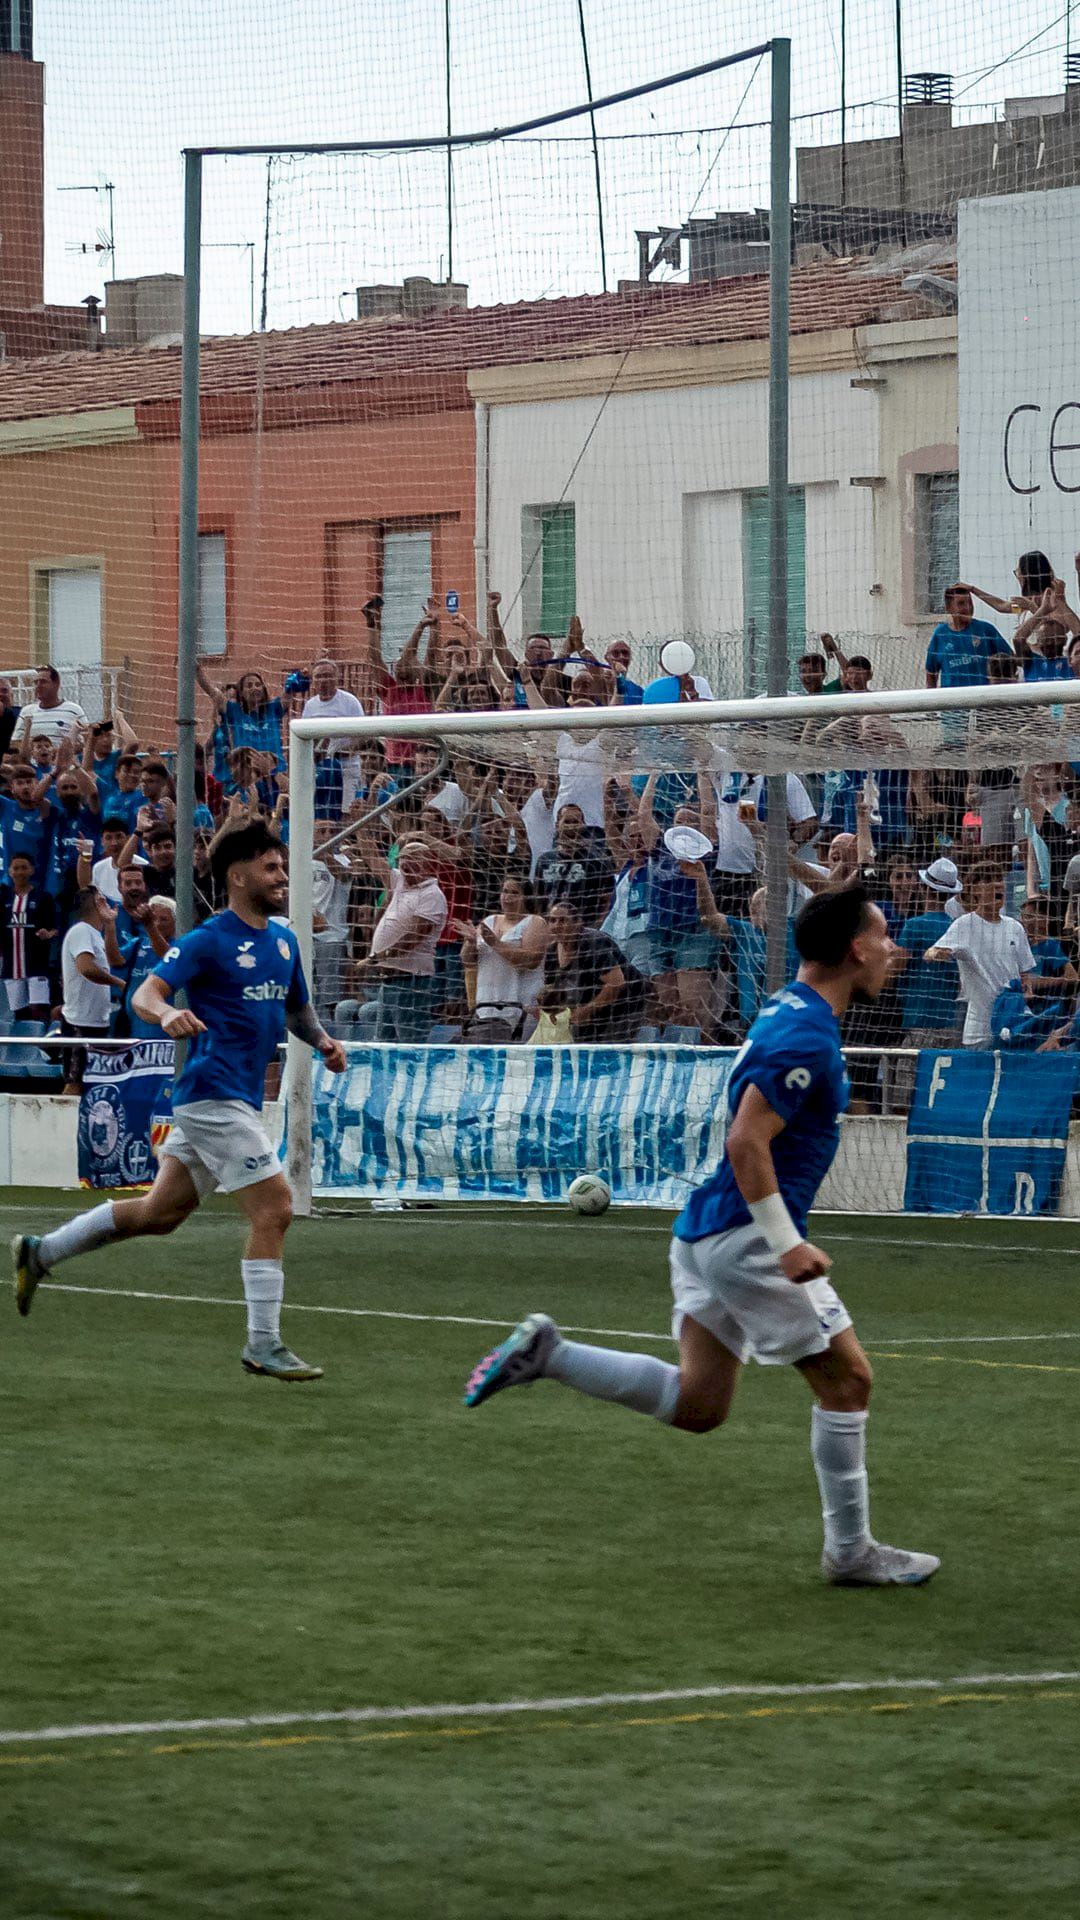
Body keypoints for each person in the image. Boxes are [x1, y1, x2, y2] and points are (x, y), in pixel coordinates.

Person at [464, 883, 938, 1587]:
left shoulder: (790, 1007)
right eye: (882, 934)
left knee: (699, 1405)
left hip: (706, 1230)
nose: (893, 948)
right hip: (749, 1238)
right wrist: (786, 1243)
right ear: (853, 949)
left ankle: (551, 1355)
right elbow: (747, 1141)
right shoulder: (806, 1032)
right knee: (848, 1381)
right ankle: (851, 1551)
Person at [12, 818, 348, 1382]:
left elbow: (295, 1008)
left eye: (282, 867)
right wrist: (167, 1013)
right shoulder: (207, 940)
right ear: (237, 877)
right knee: (275, 1207)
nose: (282, 876)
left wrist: (322, 1040)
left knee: (158, 1215)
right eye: (270, 867)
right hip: (212, 1096)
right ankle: (262, 1344)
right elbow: (146, 993)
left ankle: (39, 1251)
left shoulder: (285, 940)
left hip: (232, 1099)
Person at [924, 865, 1036, 1046]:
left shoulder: (1015, 927)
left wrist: (1026, 989)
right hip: (979, 1033)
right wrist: (937, 953)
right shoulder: (964, 925)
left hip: (1013, 1025)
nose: (997, 885)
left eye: (999, 879)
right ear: (974, 890)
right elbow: (931, 952)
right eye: (988, 880)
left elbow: (1025, 972)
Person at [57, 887, 127, 1094]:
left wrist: (110, 925)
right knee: (75, 1082)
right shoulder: (81, 931)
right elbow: (86, 967)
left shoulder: (96, 935)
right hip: (80, 1021)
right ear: (97, 903)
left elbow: (116, 960)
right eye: (102, 899)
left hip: (96, 1021)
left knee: (92, 1082)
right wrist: (119, 983)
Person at [0, 853, 58, 1022]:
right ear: (9, 871)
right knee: (20, 1013)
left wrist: (48, 934)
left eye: (24, 868)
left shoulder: (43, 898)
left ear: (32, 870)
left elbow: (56, 929)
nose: (20, 872)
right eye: (16, 868)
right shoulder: (3, 898)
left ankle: (43, 1038)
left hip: (37, 965)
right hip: (11, 967)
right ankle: (24, 1040)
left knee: (38, 1010)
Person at [925, 587, 1012, 690]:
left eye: (970, 603)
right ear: (949, 608)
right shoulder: (940, 634)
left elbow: (1012, 659)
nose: (968, 607)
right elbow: (931, 673)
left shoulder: (986, 629)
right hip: (953, 698)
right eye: (961, 603)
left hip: (983, 696)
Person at [16, 665, 89, 746]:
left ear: (56, 684)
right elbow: (16, 743)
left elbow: (86, 741)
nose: (38, 686)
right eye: (36, 682)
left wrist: (62, 750)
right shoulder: (26, 712)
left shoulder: (74, 710)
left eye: (43, 682)